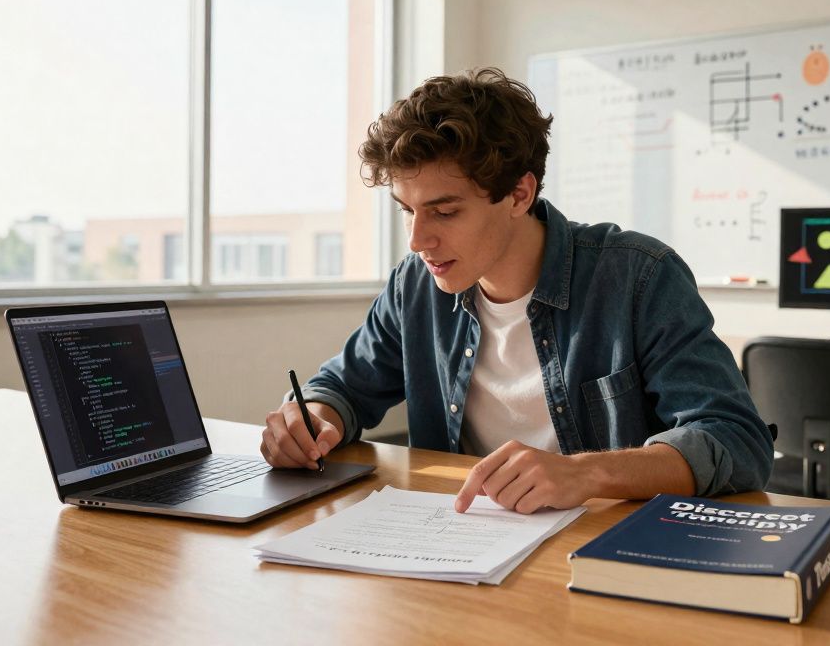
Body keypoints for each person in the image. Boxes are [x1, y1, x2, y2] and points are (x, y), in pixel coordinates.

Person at [260, 67, 772, 514]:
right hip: (458, 543)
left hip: (603, 548)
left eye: (445, 211)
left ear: (519, 194)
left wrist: (585, 473)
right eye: (408, 211)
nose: (417, 240)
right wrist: (310, 421)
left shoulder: (638, 277)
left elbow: (735, 439)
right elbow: (342, 388)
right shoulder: (414, 286)